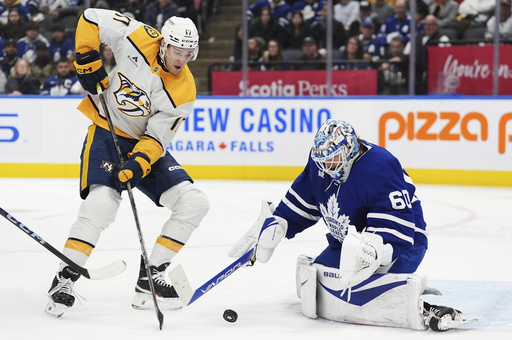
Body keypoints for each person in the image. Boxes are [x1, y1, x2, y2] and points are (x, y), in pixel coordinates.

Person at [229, 119, 472, 332]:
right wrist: (280, 223)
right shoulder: (320, 162)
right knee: (320, 283)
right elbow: (305, 199)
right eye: (322, 160)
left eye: (333, 160)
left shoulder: (379, 166)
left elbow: (398, 224)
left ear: (349, 150)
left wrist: (374, 251)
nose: (326, 167)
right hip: (347, 241)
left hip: (402, 242)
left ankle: (421, 306)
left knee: (360, 291)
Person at [44, 9, 210, 318]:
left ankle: (150, 277)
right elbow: (91, 18)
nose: (182, 58)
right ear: (163, 44)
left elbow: (157, 138)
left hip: (141, 144)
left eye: (189, 52)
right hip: (108, 130)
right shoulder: (138, 36)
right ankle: (64, 278)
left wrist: (138, 164)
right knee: (102, 204)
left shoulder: (184, 90)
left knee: (194, 202)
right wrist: (86, 55)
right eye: (178, 50)